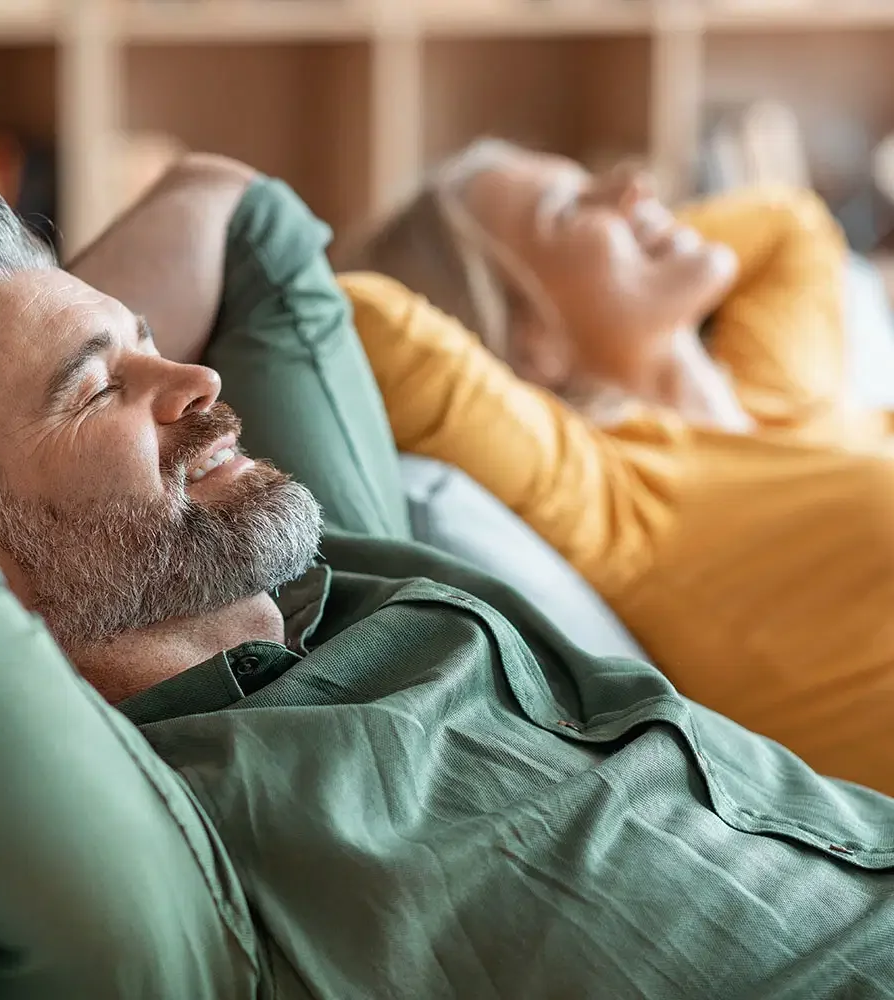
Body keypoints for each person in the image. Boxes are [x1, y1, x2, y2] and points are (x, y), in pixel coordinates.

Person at [0, 155, 894, 1000]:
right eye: (100, 387)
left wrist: (36, 339)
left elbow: (245, 215)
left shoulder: (343, 566)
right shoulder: (164, 857)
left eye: (153, 338)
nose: (197, 381)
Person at [334, 137, 894, 793]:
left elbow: (788, 225)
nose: (632, 183)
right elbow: (364, 317)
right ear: (528, 336)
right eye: (571, 208)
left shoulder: (774, 392)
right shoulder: (617, 497)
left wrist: (642, 253)